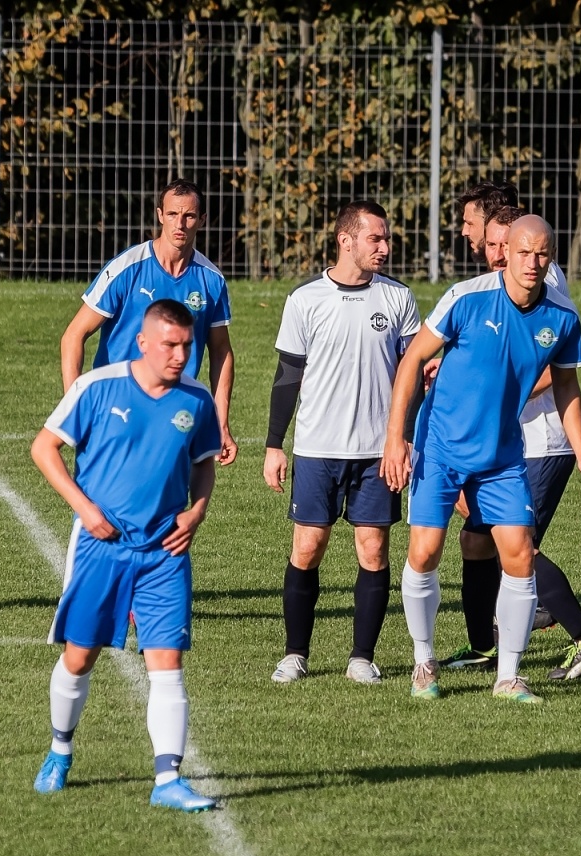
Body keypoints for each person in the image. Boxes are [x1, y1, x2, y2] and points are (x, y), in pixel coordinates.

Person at [382, 216, 581, 703]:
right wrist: (396, 439)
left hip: (502, 456)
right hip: (441, 448)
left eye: (542, 254)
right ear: (506, 253)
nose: (532, 262)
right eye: (524, 252)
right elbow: (412, 360)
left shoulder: (562, 317)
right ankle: (423, 662)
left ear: (551, 256)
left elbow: (566, 384)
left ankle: (509, 676)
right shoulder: (466, 297)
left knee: (519, 553)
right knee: (425, 552)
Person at [30, 299, 223, 812]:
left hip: (165, 550)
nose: (180, 355)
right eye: (170, 345)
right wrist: (85, 509)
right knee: (80, 656)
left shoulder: (197, 399)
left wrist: (197, 512)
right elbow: (43, 448)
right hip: (101, 547)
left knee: (167, 661)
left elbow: (204, 463)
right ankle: (60, 751)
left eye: (187, 346)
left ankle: (168, 780)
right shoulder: (97, 387)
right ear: (143, 342)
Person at [441, 205, 581, 681]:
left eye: (496, 240)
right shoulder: (495, 284)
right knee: (477, 540)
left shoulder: (541, 280)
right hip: (509, 442)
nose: (489, 249)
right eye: (490, 244)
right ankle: (483, 646)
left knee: (516, 544)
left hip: (541, 442)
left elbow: (556, 371)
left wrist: (497, 395)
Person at [264, 201, 421, 685]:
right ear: (345, 240)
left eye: (386, 238)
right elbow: (287, 377)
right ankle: (295, 654)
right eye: (376, 238)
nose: (385, 247)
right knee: (307, 547)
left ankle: (362, 657)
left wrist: (404, 440)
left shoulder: (398, 298)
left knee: (373, 551)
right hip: (317, 449)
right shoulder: (305, 299)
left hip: (378, 452)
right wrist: (274, 444)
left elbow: (414, 377)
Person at [60, 179, 237, 465]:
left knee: (167, 490)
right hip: (115, 406)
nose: (180, 223)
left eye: (190, 216)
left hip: (172, 412)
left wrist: (221, 421)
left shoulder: (211, 280)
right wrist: (74, 406)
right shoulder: (127, 268)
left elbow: (221, 351)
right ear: (160, 215)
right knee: (106, 491)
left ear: (202, 220)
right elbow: (73, 336)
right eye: (172, 214)